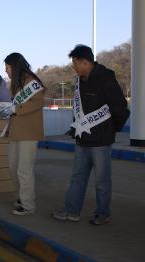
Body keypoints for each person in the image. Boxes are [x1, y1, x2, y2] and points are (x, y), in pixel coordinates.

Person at [52, 45, 130, 225]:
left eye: (75, 64)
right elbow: (78, 111)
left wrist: (111, 129)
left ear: (85, 62)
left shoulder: (106, 78)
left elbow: (120, 108)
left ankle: (102, 213)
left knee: (102, 181)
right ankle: (72, 211)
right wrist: (75, 129)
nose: (74, 67)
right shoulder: (79, 81)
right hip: (82, 139)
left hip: (101, 141)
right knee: (77, 178)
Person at [3, 53, 45, 215]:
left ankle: (28, 205)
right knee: (13, 167)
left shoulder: (32, 82)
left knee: (24, 169)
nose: (5, 71)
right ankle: (21, 196)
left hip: (29, 132)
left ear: (14, 66)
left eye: (7, 67)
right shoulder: (15, 83)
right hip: (16, 131)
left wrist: (16, 109)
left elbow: (38, 103)